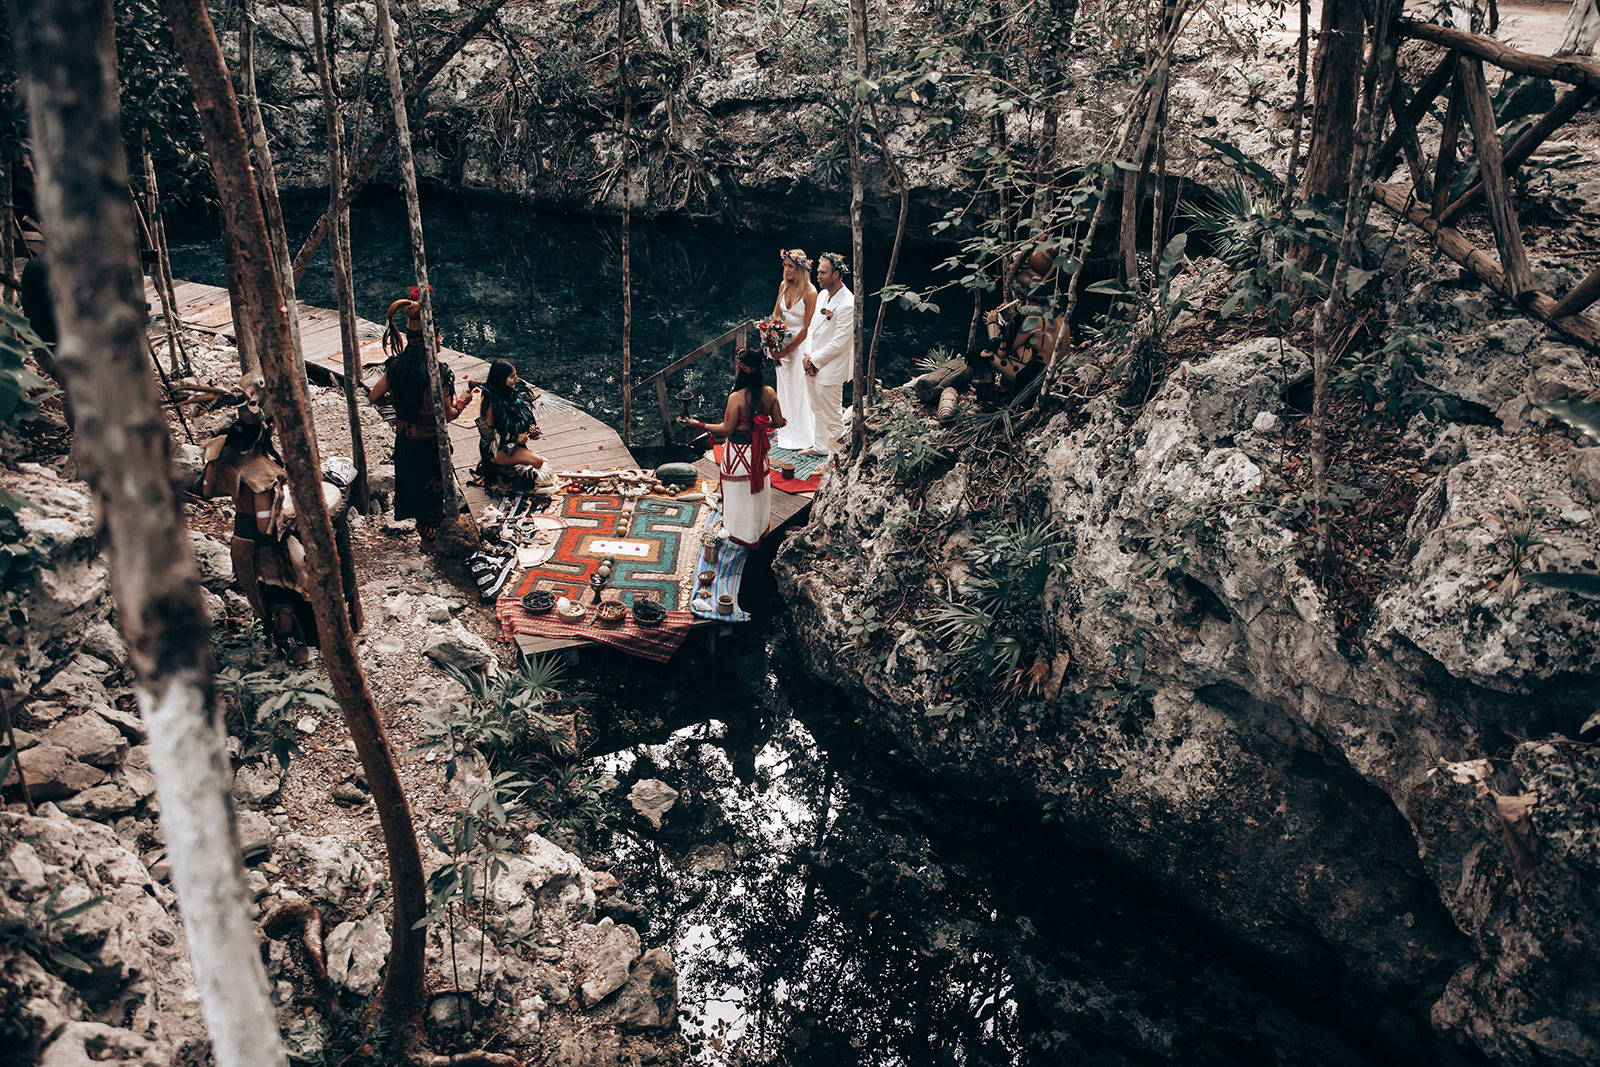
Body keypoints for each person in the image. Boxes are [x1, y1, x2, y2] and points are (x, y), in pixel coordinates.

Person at [224, 405, 362, 665]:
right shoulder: (260, 471)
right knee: (283, 599)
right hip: (265, 545)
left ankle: (292, 643)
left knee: (270, 596)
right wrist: (294, 518)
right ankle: (296, 652)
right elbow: (268, 522)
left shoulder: (233, 457)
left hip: (243, 536)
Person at [367, 290, 472, 547]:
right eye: (438, 335)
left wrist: (398, 404)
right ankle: (434, 540)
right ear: (430, 337)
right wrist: (464, 402)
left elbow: (373, 396)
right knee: (433, 493)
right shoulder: (438, 372)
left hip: (405, 441)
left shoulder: (397, 366)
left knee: (413, 487)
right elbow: (447, 415)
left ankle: (424, 536)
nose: (440, 339)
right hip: (430, 445)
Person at [681, 347, 787, 548]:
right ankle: (756, 531)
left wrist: (698, 424)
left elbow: (726, 430)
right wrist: (763, 423)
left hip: (738, 454)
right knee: (757, 494)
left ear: (743, 368)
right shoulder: (769, 392)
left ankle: (739, 534)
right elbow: (778, 422)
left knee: (738, 494)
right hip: (759, 453)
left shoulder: (736, 397)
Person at [801, 252, 854, 458]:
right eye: (818, 272)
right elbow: (813, 328)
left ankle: (836, 457)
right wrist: (807, 357)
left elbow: (840, 342)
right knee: (817, 408)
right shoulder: (822, 295)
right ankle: (820, 446)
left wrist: (815, 360)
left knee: (832, 414)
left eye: (823, 272)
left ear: (837, 274)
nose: (818, 276)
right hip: (812, 362)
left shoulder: (848, 303)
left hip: (832, 366)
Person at [769, 249, 816, 451]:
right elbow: (775, 315)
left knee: (799, 391)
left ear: (800, 269)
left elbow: (807, 328)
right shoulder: (783, 286)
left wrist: (787, 351)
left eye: (791, 267)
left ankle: (804, 436)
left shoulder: (810, 292)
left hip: (798, 347)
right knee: (785, 388)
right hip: (782, 344)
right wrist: (771, 338)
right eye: (785, 266)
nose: (787, 270)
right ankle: (786, 430)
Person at [475, 359, 547, 485]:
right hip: (495, 448)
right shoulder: (491, 399)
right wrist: (514, 437)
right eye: (512, 376)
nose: (516, 379)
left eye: (516, 375)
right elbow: (488, 434)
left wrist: (531, 429)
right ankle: (495, 466)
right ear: (501, 379)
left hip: (512, 445)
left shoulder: (513, 393)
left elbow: (522, 416)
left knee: (535, 465)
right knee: (538, 462)